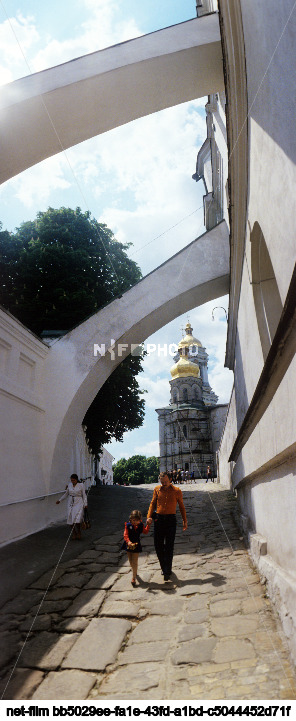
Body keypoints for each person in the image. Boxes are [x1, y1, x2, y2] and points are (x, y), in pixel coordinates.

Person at [147, 471, 187, 581]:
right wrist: (149, 517)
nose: (164, 483)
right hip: (158, 520)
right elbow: (152, 504)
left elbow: (182, 507)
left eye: (166, 481)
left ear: (170, 480)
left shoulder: (177, 491)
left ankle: (167, 570)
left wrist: (185, 520)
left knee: (169, 546)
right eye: (162, 481)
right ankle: (163, 566)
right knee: (158, 545)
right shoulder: (156, 489)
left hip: (170, 520)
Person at [121, 510, 150, 586]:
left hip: (136, 545)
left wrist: (148, 525)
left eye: (136, 520)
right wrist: (128, 541)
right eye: (133, 520)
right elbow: (125, 535)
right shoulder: (128, 525)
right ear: (130, 519)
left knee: (134, 561)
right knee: (130, 561)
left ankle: (133, 578)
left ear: (139, 520)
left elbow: (145, 531)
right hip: (128, 545)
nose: (134, 522)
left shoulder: (140, 525)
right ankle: (135, 571)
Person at [56, 473, 87, 540]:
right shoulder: (70, 485)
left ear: (76, 480)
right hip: (70, 502)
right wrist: (60, 500)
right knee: (70, 518)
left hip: (78, 502)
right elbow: (66, 494)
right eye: (71, 480)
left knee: (77, 518)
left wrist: (85, 504)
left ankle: (79, 532)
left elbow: (84, 495)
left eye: (74, 480)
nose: (72, 482)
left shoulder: (81, 485)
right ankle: (74, 533)